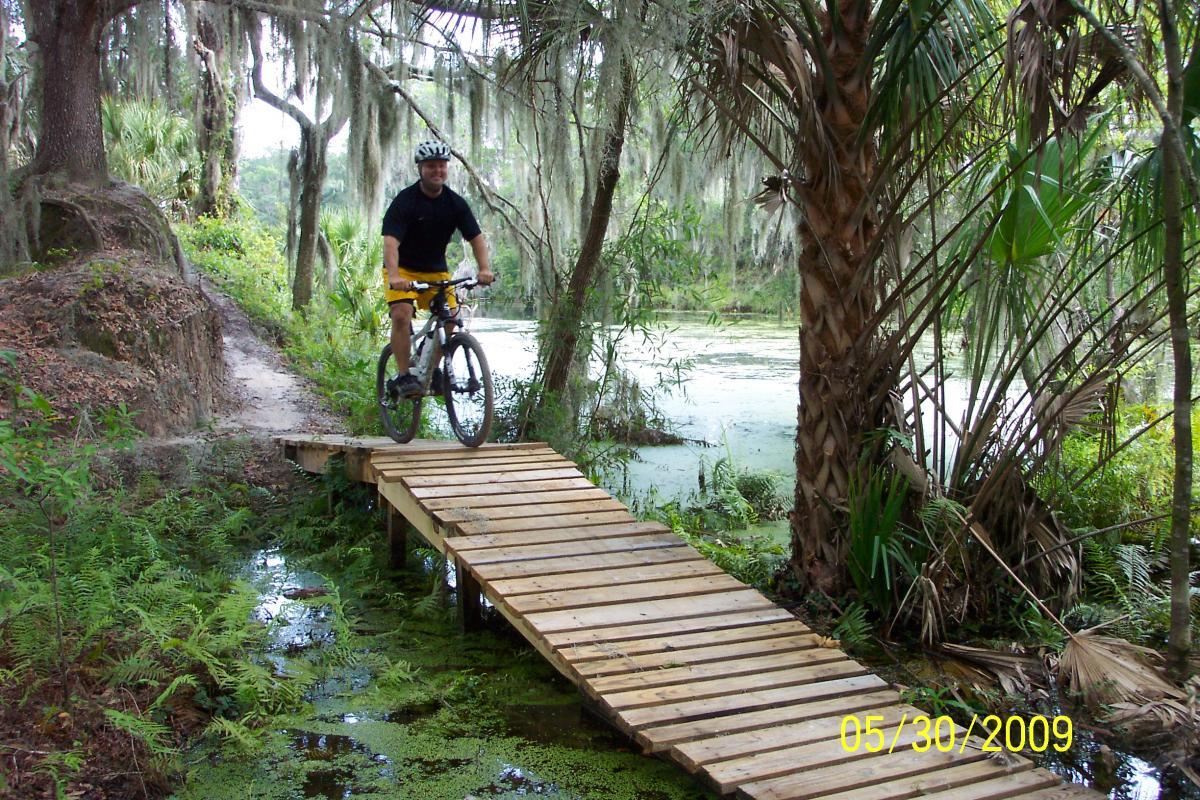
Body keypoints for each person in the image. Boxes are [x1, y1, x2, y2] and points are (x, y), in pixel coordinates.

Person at [381, 139, 494, 399]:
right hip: (403, 271)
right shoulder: (405, 201)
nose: (437, 171)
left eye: (441, 166)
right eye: (431, 166)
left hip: (437, 274)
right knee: (401, 314)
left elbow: (476, 238)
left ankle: (428, 369)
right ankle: (404, 375)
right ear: (420, 169)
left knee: (451, 320)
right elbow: (390, 242)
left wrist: (485, 269)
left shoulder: (455, 203)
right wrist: (395, 276)